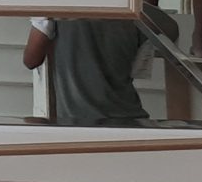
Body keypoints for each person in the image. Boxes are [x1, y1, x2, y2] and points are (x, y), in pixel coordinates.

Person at [22, 15, 151, 126]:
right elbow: (137, 68)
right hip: (128, 120)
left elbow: (31, 60)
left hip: (78, 122)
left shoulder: (55, 10)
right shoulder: (132, 13)